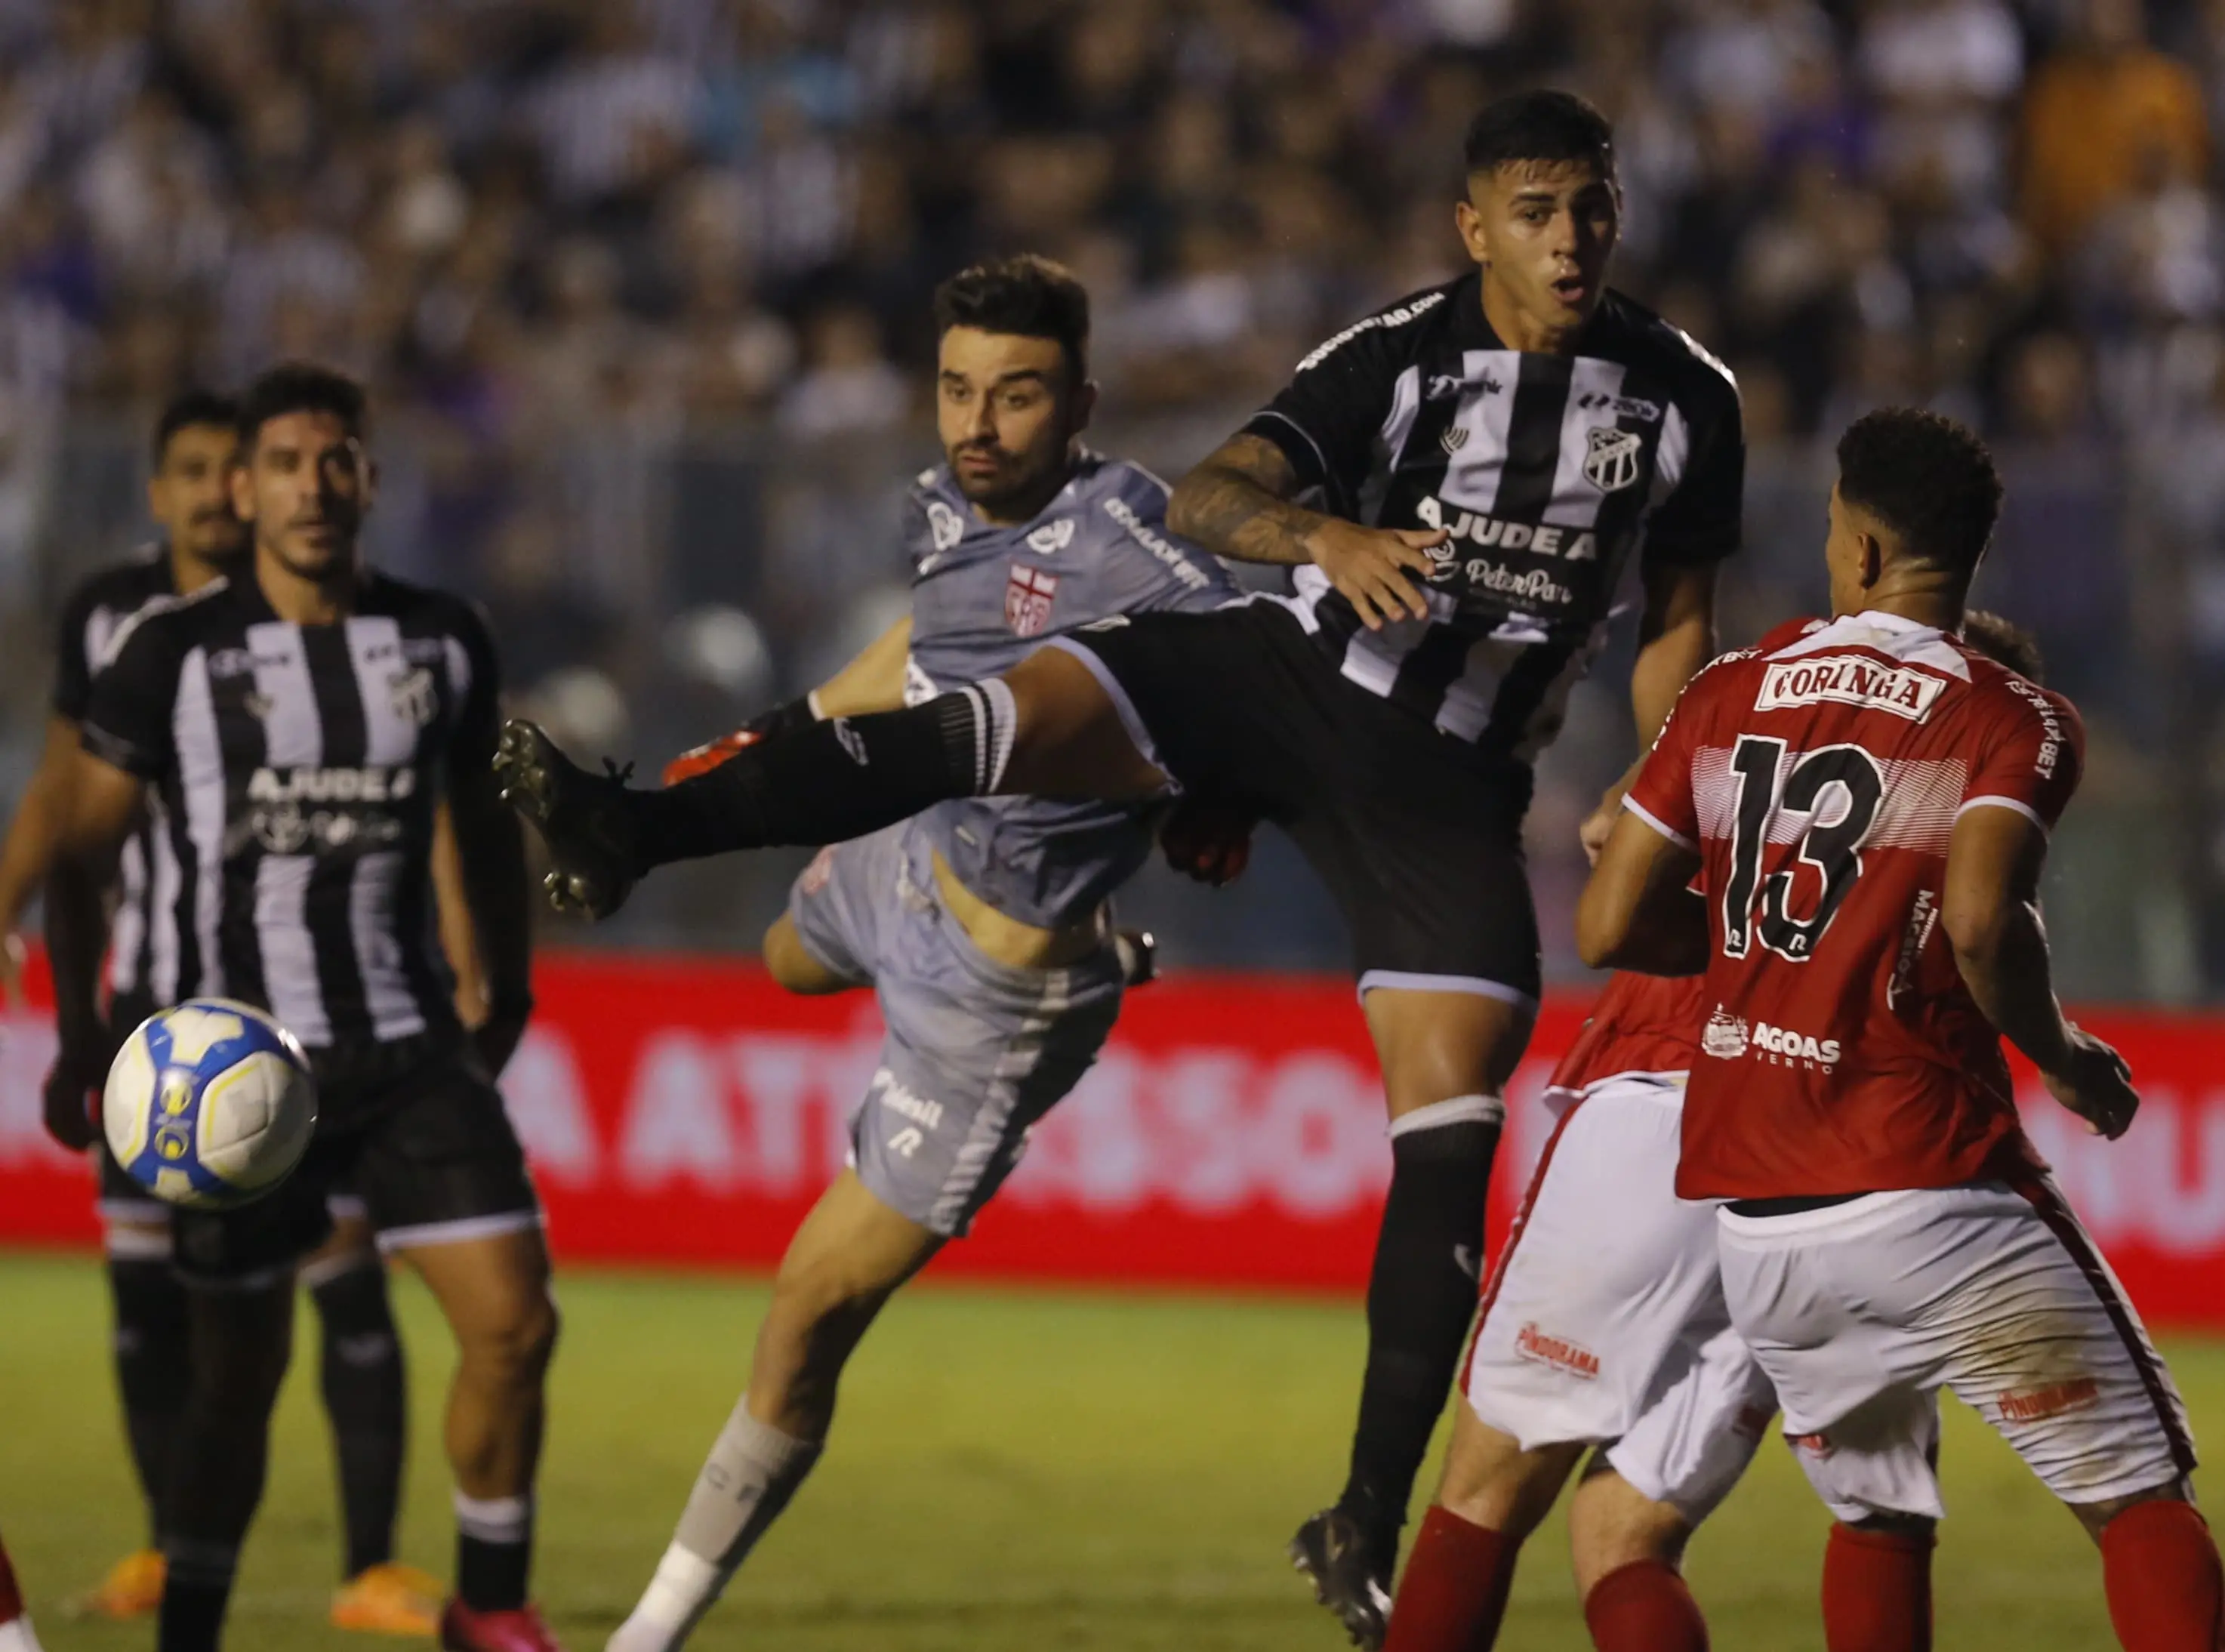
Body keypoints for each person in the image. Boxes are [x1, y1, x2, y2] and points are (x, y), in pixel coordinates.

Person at [493, 90, 1742, 1646]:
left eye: (1591, 208)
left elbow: (1679, 624)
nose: (1569, 241)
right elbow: (1222, 490)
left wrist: (1663, 772)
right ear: (1473, 226)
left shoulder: (1685, 398)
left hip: (1445, 784)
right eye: (1536, 212)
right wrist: (1325, 541)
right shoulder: (1403, 355)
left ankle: (1363, 1514)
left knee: (1452, 1127)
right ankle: (634, 830)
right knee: (978, 737)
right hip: (1291, 678)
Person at [604, 254, 1234, 1652]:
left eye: (1015, 396)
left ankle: (647, 1632)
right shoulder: (946, 502)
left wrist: (1220, 799)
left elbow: (1254, 671)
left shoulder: (1133, 548)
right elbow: (931, 640)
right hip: (910, 857)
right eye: (956, 390)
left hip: (989, 1000)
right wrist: (780, 731)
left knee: (804, 1312)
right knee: (781, 959)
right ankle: (1091, 941)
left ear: (1079, 405)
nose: (977, 425)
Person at [1579, 407, 2222, 1650]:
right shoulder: (2013, 716)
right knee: (2137, 1495)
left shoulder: (1729, 688)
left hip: (1762, 1227)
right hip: (1925, 1183)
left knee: (1877, 1513)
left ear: (1862, 548)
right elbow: (1980, 920)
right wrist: (2060, 1055)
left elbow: (1607, 923)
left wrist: (1765, 968)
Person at [1383, 610, 2045, 1652]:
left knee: (1485, 1490)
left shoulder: (1778, 701)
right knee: (1630, 1532)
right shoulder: (1991, 808)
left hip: (1669, 1098)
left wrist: (1632, 802)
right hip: (1838, 1170)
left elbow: (1611, 842)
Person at [48, 362, 559, 1652]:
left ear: (370, 478)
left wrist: (504, 986)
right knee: (236, 1385)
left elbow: (483, 830)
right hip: (242, 1072)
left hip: (408, 1048)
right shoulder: (170, 650)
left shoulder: (442, 637)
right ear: (244, 488)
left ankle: (491, 1608)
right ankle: (192, 1632)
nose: (314, 486)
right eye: (285, 463)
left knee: (514, 1324)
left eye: (337, 461)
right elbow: (81, 854)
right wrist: (81, 1037)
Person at [0, 390, 439, 1634]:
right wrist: (59, 992)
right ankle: (166, 1550)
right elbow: (64, 804)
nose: (207, 493)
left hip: (297, 1012)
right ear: (161, 491)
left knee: (341, 1273)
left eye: (221, 470)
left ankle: (369, 1566)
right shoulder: (115, 619)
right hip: (151, 1004)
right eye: (184, 472)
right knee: (147, 1294)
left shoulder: (335, 623)